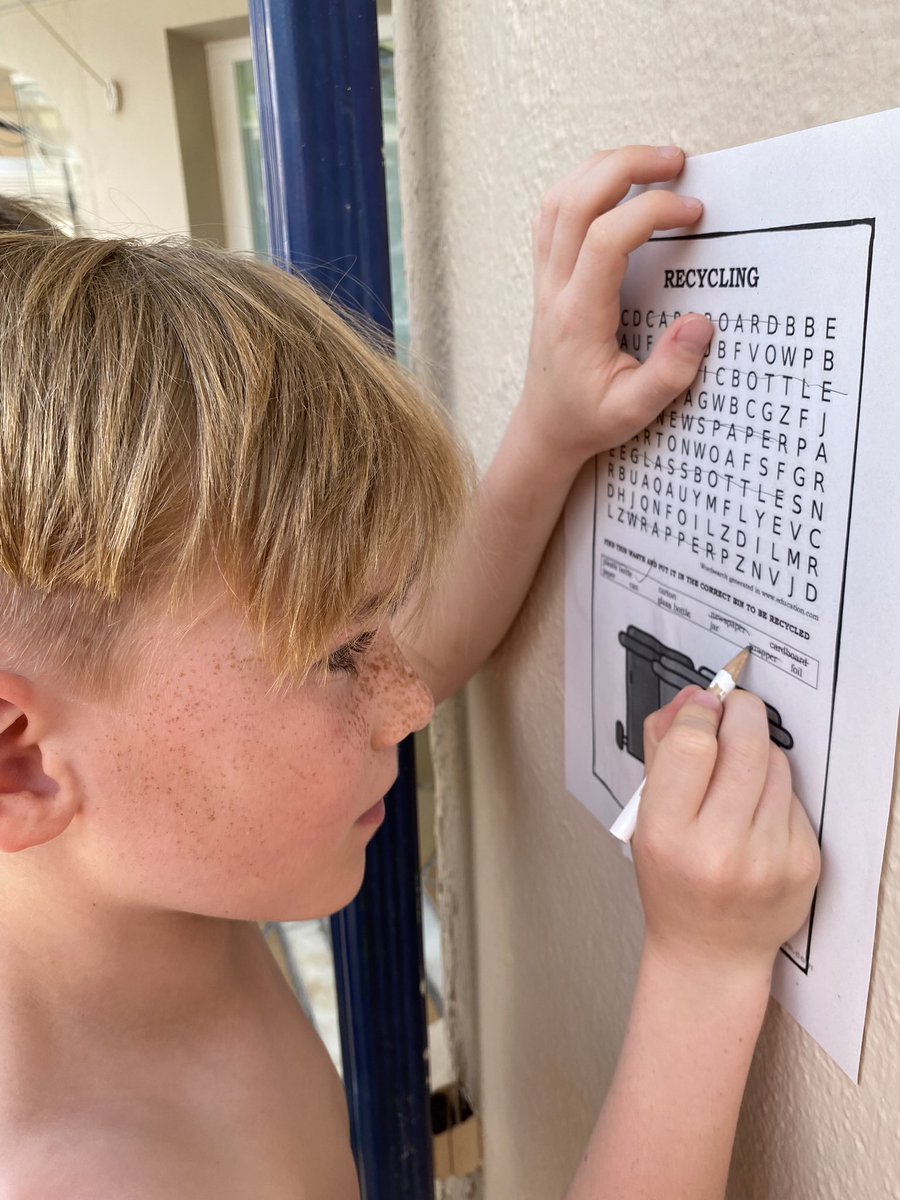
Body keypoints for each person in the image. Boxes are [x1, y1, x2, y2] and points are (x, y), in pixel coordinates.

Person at [0, 146, 819, 1199]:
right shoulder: (78, 1174)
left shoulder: (131, 848)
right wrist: (703, 972)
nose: (411, 694)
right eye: (343, 656)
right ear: (18, 763)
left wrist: (553, 429)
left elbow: (396, 653)